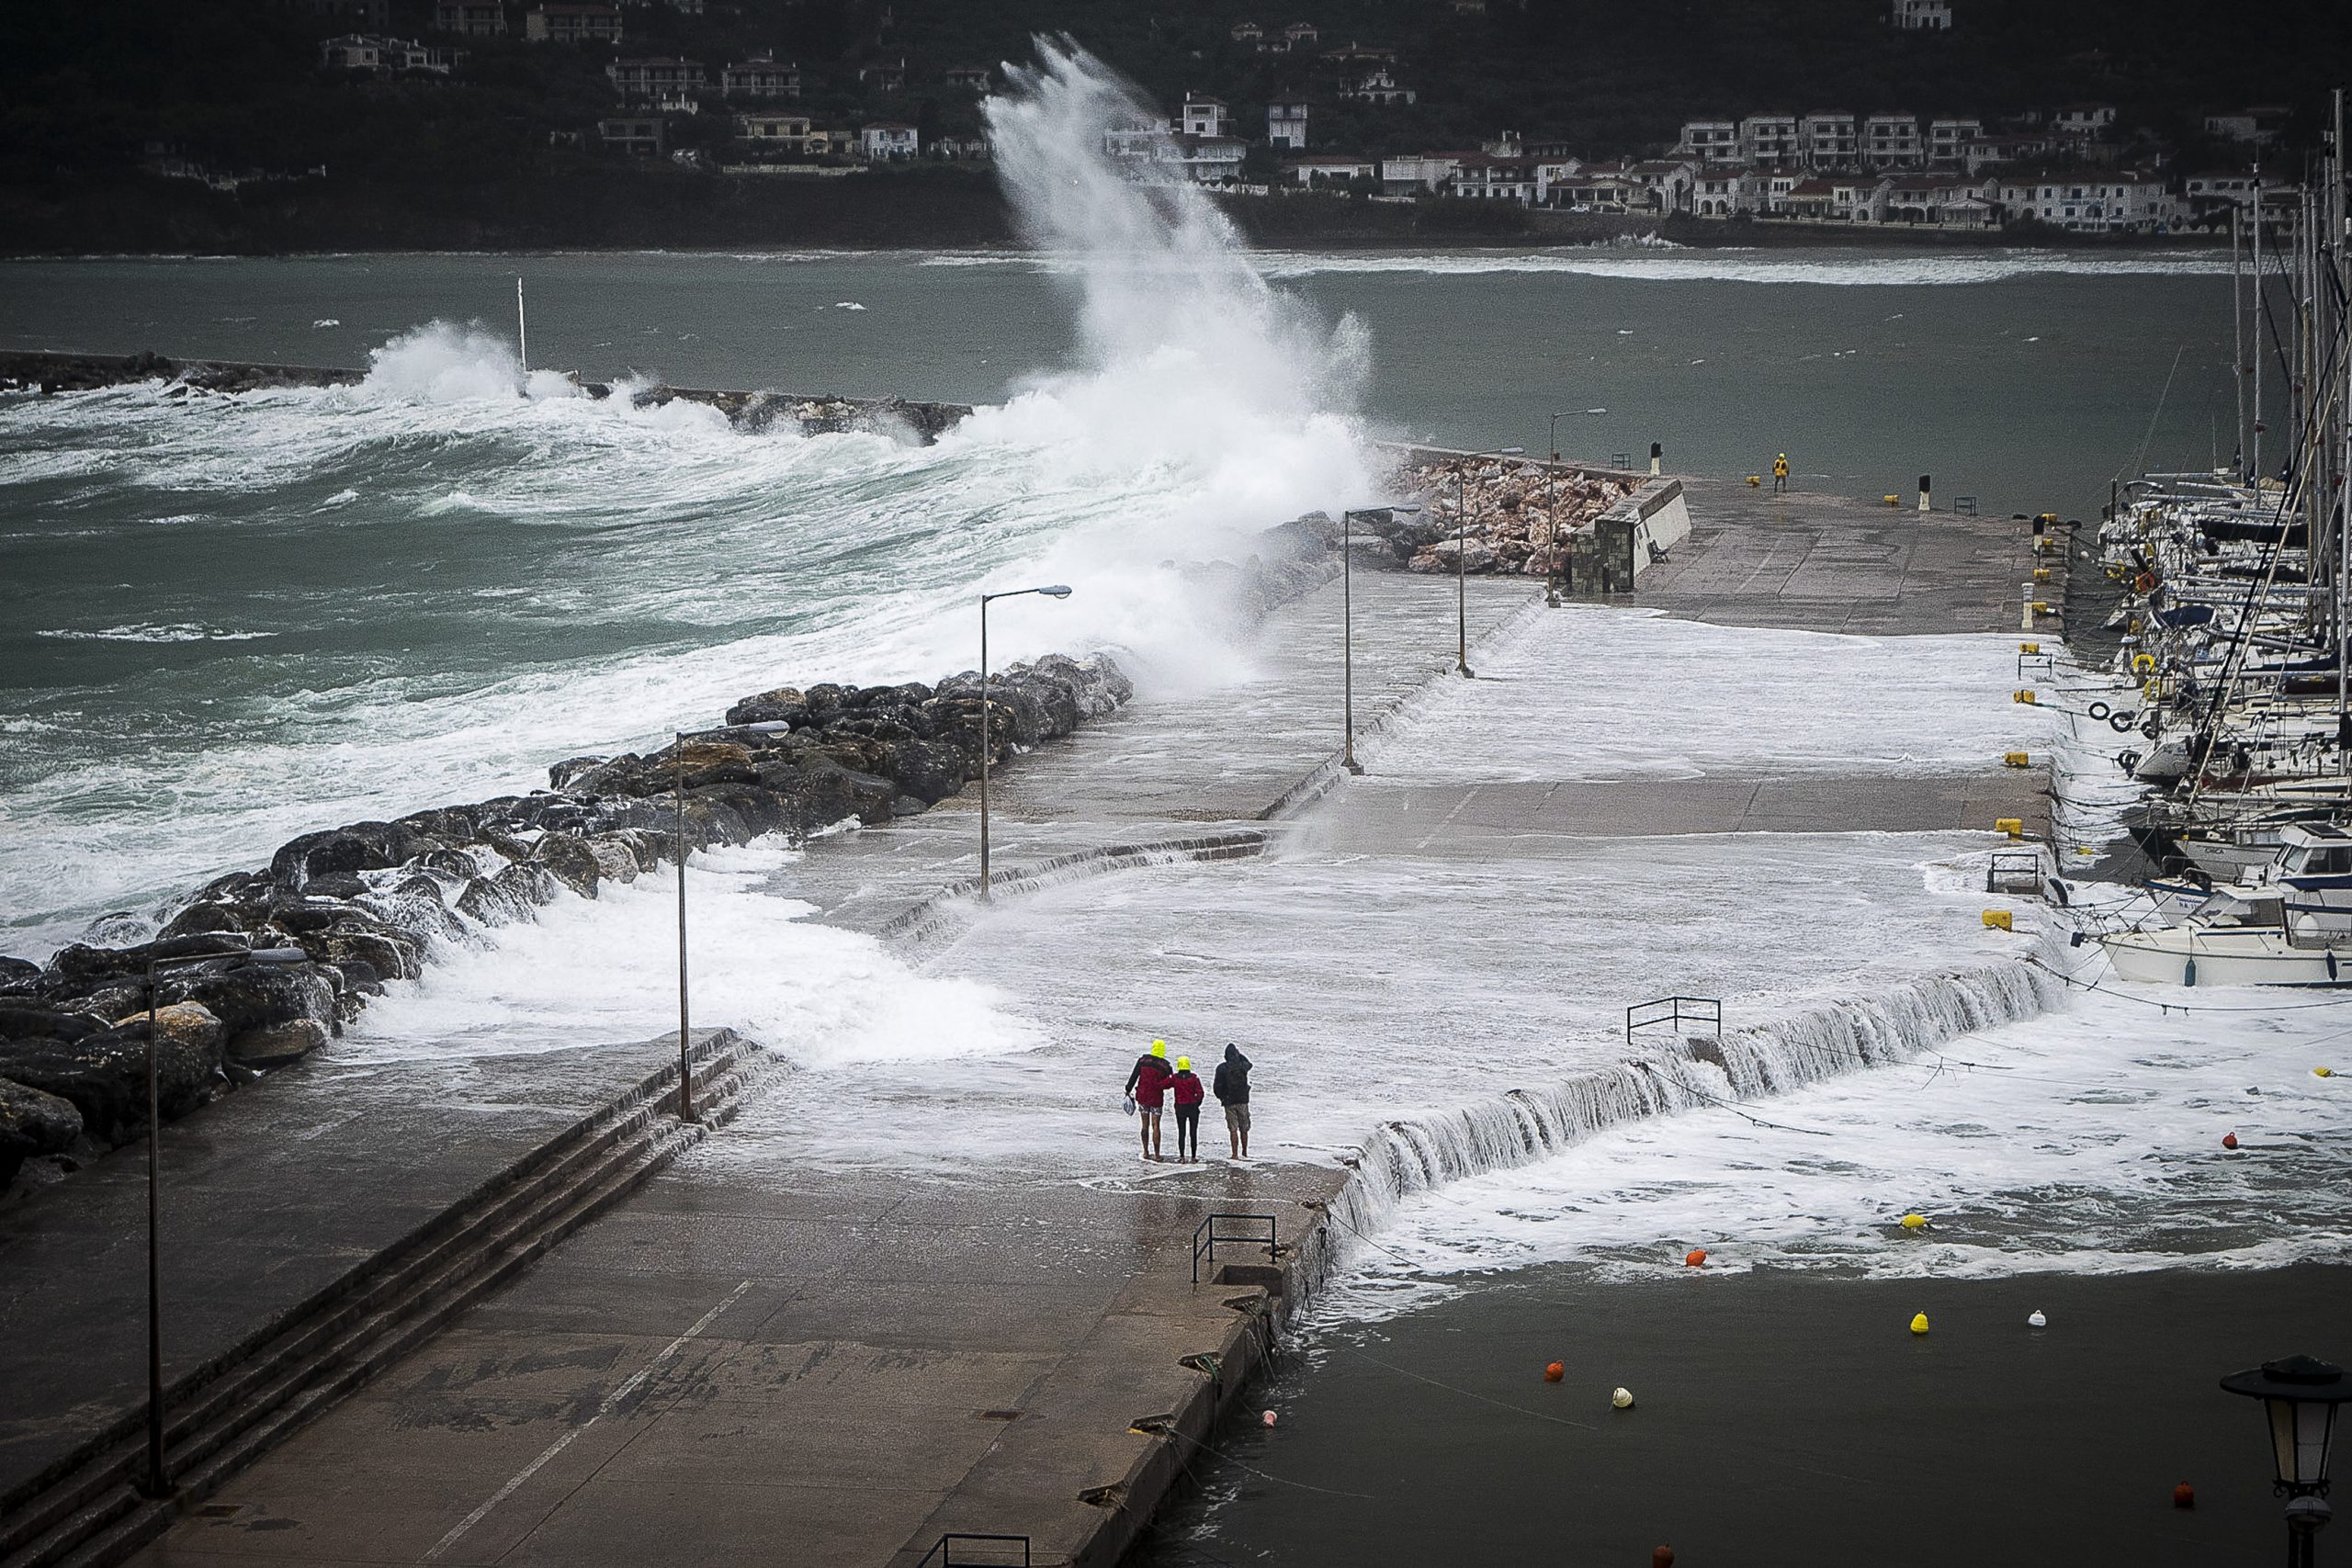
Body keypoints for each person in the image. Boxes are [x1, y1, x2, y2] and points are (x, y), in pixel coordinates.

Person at [1124, 1039, 1171, 1161]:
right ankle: (1157, 1155)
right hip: (1156, 1098)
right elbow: (1169, 1082)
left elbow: (1134, 1076)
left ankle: (1145, 1152)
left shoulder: (1143, 1061)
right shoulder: (1165, 1065)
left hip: (1143, 1096)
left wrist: (1128, 1089)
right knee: (1156, 1125)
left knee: (1144, 1125)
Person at [1212, 1043, 1252, 1160]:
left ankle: (1234, 1155)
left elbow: (1217, 1087)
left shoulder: (1221, 1068)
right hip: (1243, 1101)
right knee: (1244, 1128)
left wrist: (1222, 1098)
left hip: (1229, 1102)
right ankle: (1244, 1153)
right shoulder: (1243, 1066)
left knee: (1233, 1129)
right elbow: (1249, 1063)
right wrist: (1239, 1055)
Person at [1169, 1055, 1204, 1162]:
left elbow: (1163, 1084)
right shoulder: (1194, 1078)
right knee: (1193, 1132)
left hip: (1180, 1107)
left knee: (1181, 1132)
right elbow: (1200, 1093)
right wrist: (1197, 1103)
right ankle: (1193, 1157)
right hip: (1193, 1107)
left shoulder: (1175, 1078)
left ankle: (1182, 1157)